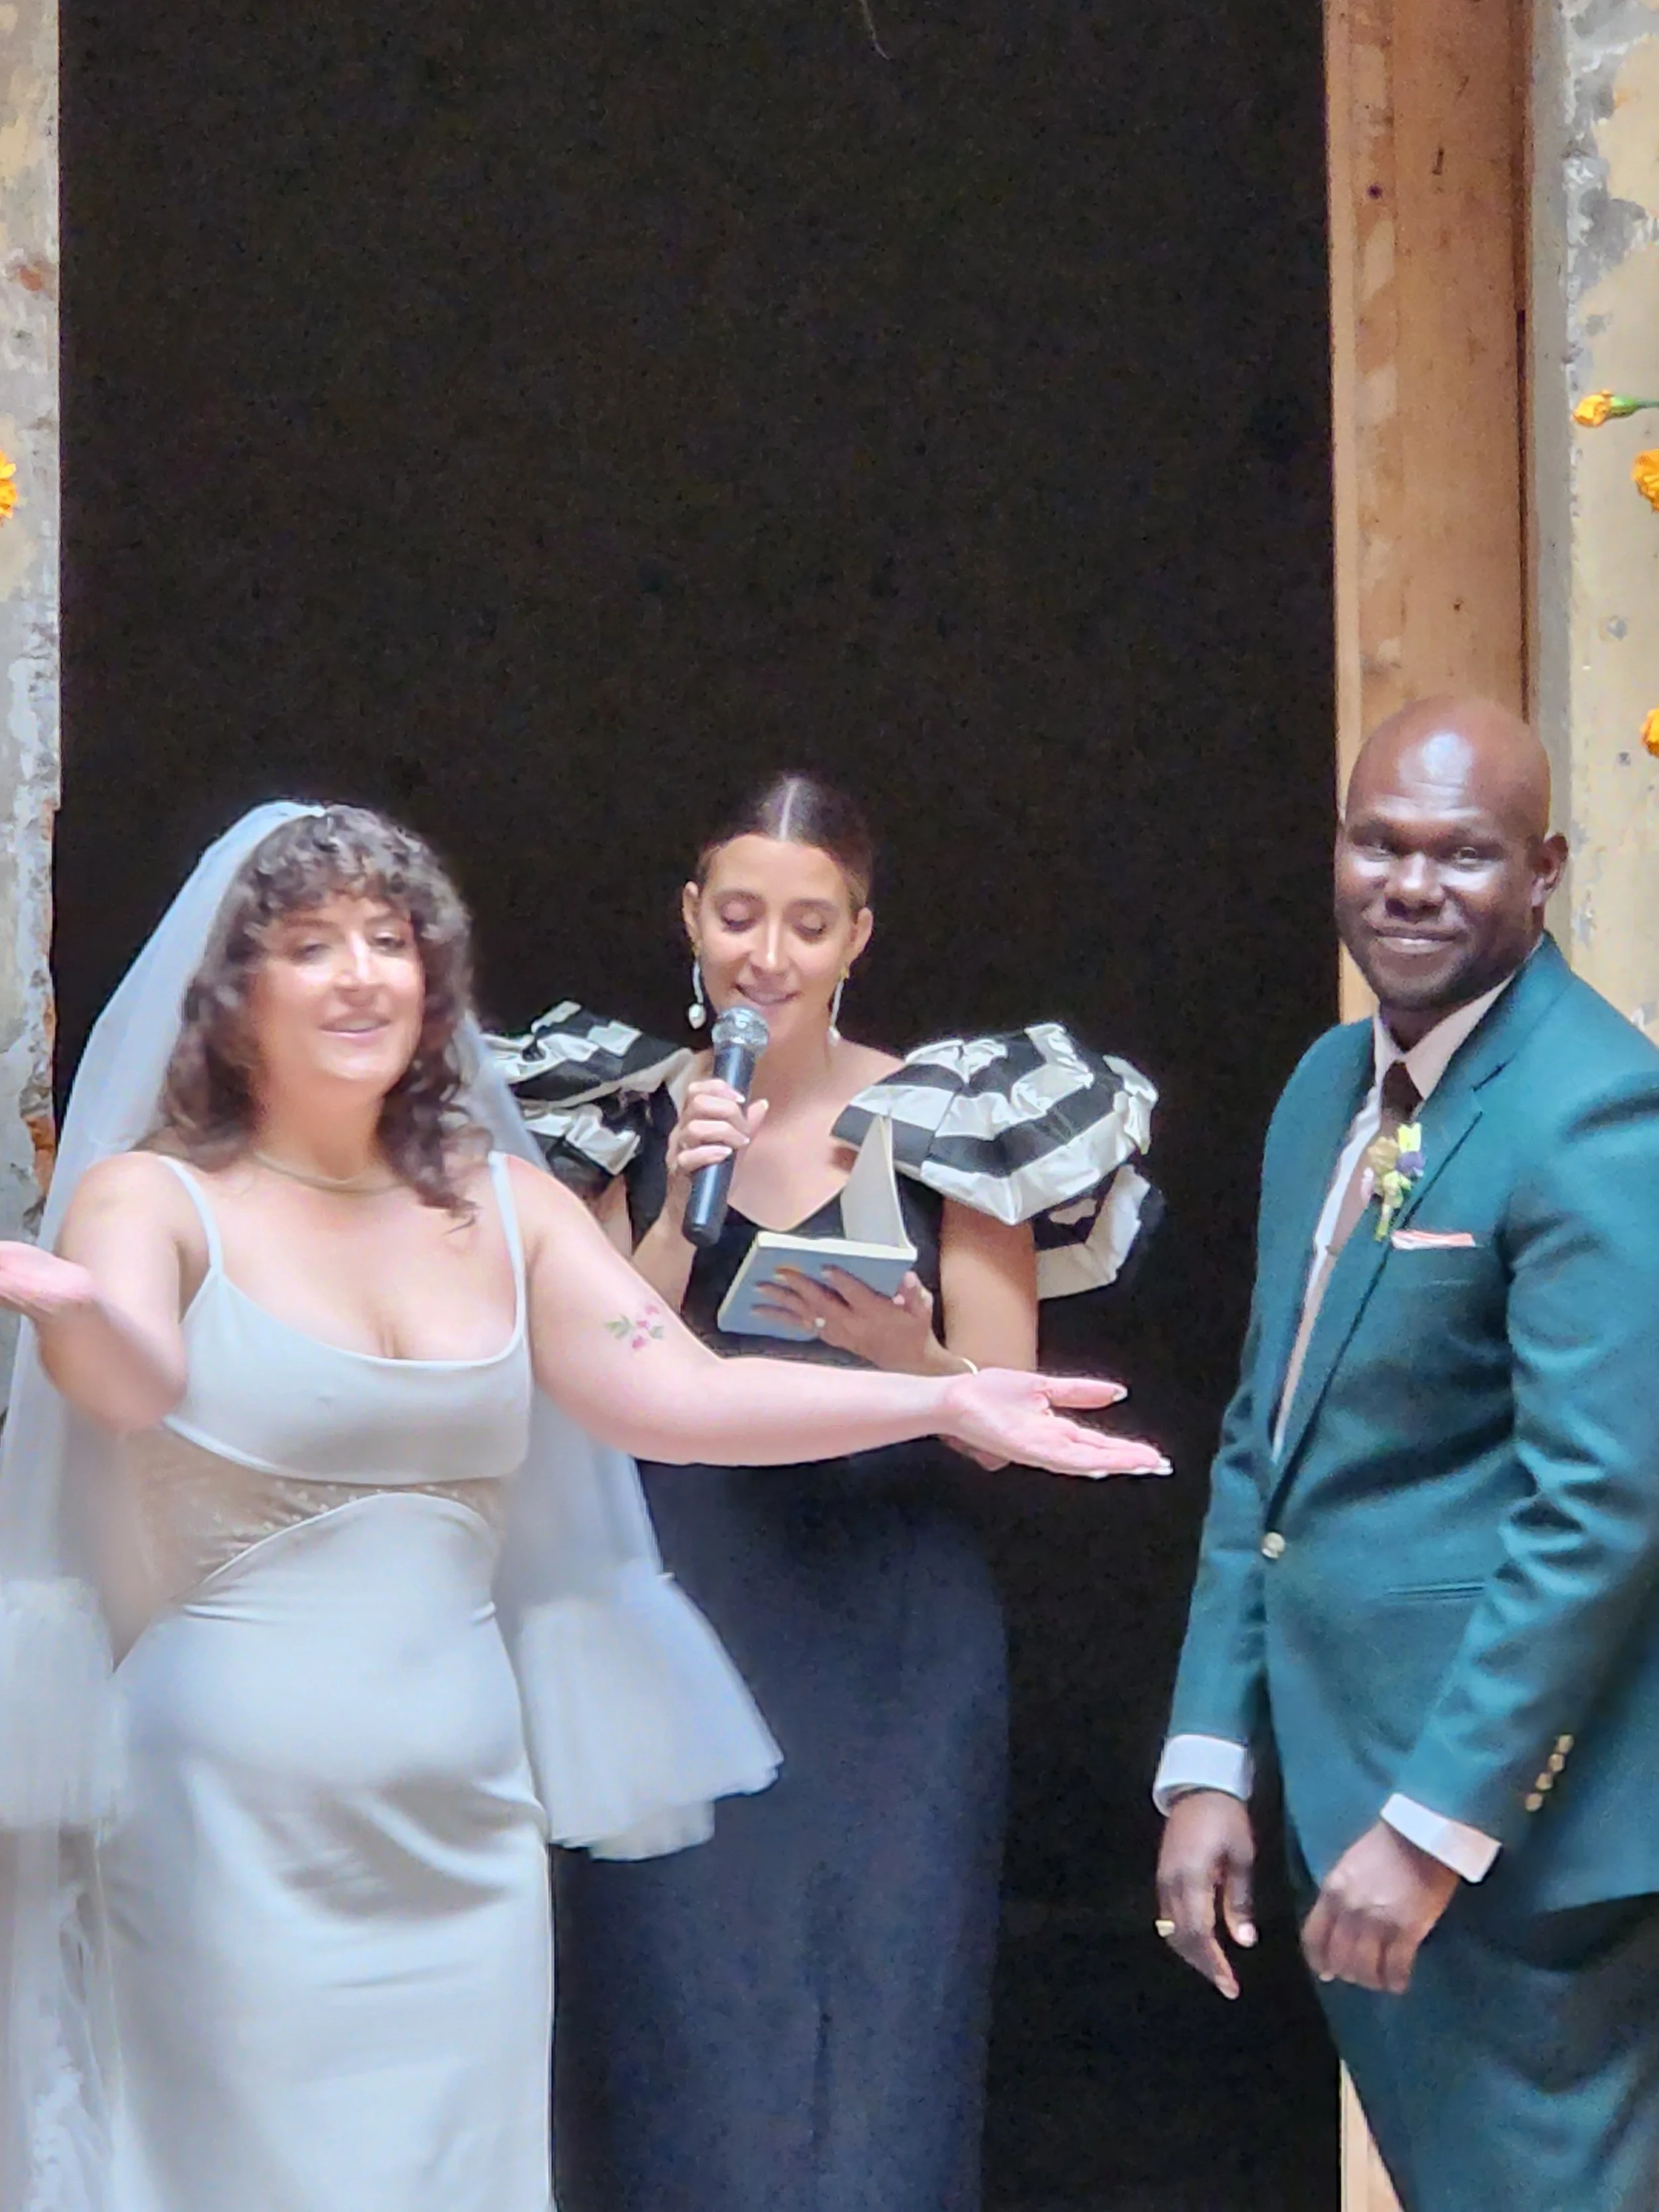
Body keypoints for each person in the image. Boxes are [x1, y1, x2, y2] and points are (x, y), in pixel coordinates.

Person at [0, 802, 1169, 2212]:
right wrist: (71, 1314)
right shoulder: (151, 1198)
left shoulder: (504, 1203)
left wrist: (934, 1402)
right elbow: (131, 1371)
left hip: (460, 1823)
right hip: (224, 1814)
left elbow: (679, 1390)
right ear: (234, 988)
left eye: (388, 941)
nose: (360, 975)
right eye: (310, 946)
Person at [494, 772, 1160, 2212]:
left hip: (891, 1623)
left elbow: (1005, 1415)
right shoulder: (618, 1112)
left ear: (858, 935)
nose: (769, 955)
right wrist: (683, 1207)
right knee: (683, 2017)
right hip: (679, 1601)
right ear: (691, 916)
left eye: (809, 923)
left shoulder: (953, 1114)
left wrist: (911, 1359)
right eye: (739, 916)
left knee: (887, 2023)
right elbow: (592, 1366)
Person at [1154, 697, 1659, 2209]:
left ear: (1545, 869)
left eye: (1464, 853)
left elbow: (1599, 1508)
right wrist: (1210, 1759)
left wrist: (1435, 1828)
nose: (1411, 884)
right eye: (1379, 844)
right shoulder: (1326, 1085)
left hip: (1509, 1843)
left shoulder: (1595, 1107)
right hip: (1336, 1786)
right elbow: (1268, 1437)